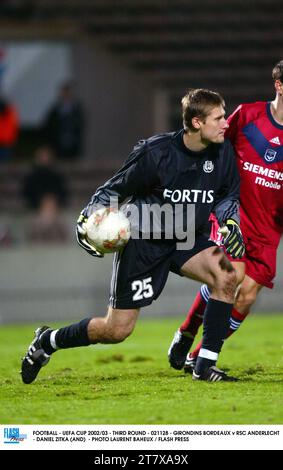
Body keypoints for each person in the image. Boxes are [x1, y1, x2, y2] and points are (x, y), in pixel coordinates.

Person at [21, 88, 245, 385]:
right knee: (117, 330)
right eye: (218, 118)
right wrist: (90, 216)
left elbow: (227, 196)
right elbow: (113, 190)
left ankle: (205, 365)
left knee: (227, 277)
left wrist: (231, 223)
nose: (225, 123)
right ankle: (48, 341)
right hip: (145, 240)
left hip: (186, 238)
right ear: (196, 123)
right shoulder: (156, 153)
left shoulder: (223, 151)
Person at [168, 59, 283, 373]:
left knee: (245, 297)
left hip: (270, 227)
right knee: (230, 277)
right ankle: (200, 351)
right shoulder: (248, 115)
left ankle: (193, 349)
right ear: (279, 85)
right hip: (233, 214)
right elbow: (214, 142)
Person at [22, 146, 69, 243]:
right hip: (36, 209)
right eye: (42, 157)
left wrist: (53, 203)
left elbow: (63, 193)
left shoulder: (56, 176)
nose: (44, 159)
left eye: (46, 157)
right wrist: (40, 204)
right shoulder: (31, 177)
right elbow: (26, 194)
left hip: (55, 209)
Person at [44, 81, 85, 160]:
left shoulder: (77, 109)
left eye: (67, 92)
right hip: (58, 145)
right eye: (64, 92)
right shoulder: (55, 110)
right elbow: (50, 126)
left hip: (73, 144)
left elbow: (80, 124)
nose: (66, 94)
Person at [0, 93, 19, 161]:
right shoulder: (10, 109)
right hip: (7, 142)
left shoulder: (9, 109)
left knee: (5, 166)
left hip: (6, 143)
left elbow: (12, 127)